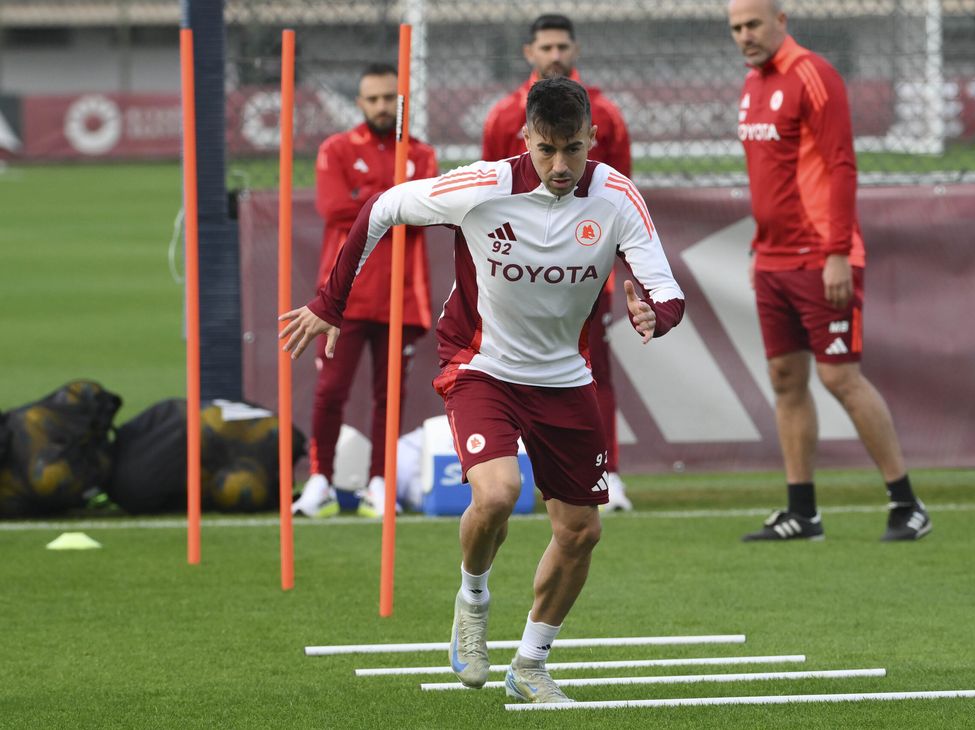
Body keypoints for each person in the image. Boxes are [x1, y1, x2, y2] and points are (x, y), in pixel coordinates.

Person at [279, 78, 685, 703]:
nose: (559, 166)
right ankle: (472, 600)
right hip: (481, 365)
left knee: (581, 532)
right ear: (525, 138)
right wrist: (331, 303)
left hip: (563, 377)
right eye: (547, 149)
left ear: (592, 141)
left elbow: (667, 289)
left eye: (573, 150)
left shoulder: (616, 196)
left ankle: (529, 664)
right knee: (497, 494)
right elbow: (381, 208)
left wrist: (657, 313)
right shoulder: (482, 186)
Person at [728, 0, 931, 542]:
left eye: (752, 24)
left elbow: (841, 164)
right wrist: (758, 247)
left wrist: (838, 251)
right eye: (736, 28)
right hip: (772, 258)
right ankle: (802, 512)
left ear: (780, 21)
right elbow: (767, 179)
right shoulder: (751, 86)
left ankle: (906, 503)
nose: (744, 35)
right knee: (785, 380)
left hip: (822, 257)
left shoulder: (813, 75)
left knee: (840, 377)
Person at [482, 14, 634, 511]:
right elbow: (484, 196)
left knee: (595, 372)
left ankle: (605, 471)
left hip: (584, 270)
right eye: (545, 46)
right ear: (529, 52)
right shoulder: (503, 117)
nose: (554, 55)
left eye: (562, 46)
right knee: (509, 371)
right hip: (519, 273)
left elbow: (623, 196)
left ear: (576, 50)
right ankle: (512, 470)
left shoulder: (606, 116)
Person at [291, 63, 438, 519]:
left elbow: (422, 213)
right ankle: (320, 480)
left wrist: (373, 197)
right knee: (330, 389)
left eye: (388, 98)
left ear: (401, 102)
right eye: (371, 98)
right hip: (344, 295)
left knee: (388, 395)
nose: (380, 106)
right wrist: (391, 198)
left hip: (401, 295)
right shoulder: (336, 148)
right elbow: (335, 208)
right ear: (359, 102)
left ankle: (380, 481)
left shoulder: (422, 155)